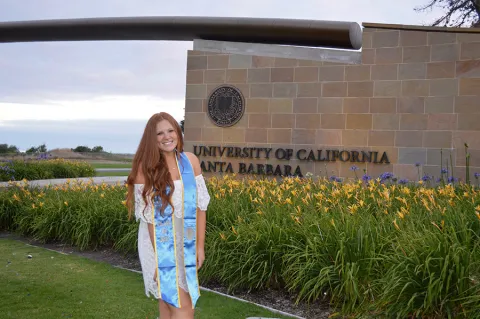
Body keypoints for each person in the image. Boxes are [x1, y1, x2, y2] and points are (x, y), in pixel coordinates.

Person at [126, 112, 211, 319]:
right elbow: (150, 220)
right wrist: (159, 262)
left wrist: (199, 246)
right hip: (159, 243)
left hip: (186, 241)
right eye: (159, 133)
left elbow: (201, 207)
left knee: (168, 305)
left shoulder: (190, 161)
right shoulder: (145, 170)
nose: (167, 137)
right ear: (151, 139)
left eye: (171, 130)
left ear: (178, 132)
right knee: (184, 308)